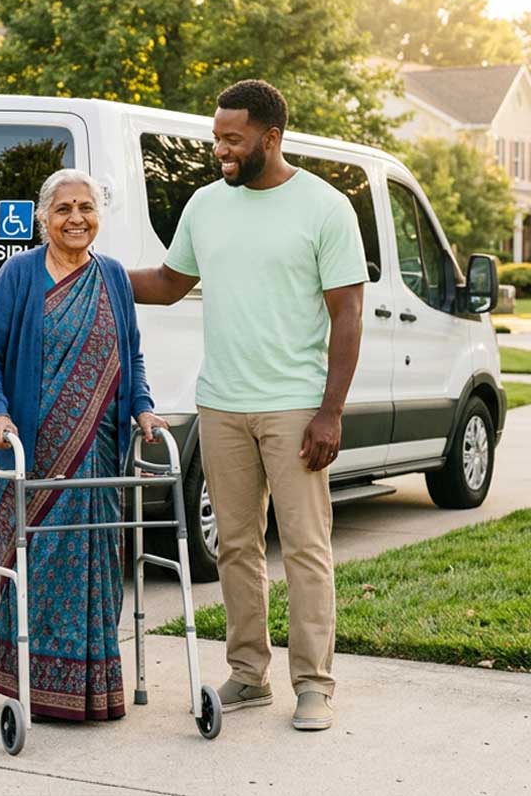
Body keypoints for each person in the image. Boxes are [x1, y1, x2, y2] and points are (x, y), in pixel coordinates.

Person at [128, 80, 367, 732]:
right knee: (235, 547)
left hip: (295, 407)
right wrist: (90, 270)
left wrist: (330, 412)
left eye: (233, 140)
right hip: (221, 405)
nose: (221, 152)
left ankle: (314, 684)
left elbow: (347, 316)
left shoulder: (325, 207)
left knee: (306, 548)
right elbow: (169, 284)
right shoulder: (206, 206)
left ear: (271, 136)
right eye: (217, 140)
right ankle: (248, 674)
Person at [0, 168, 166, 721]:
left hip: (99, 455)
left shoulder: (114, 280)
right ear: (43, 218)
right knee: (40, 565)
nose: (76, 218)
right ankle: (32, 688)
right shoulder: (20, 274)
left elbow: (132, 354)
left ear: (99, 215)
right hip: (35, 454)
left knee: (98, 566)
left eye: (86, 207)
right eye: (63, 209)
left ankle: (92, 694)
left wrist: (143, 406)